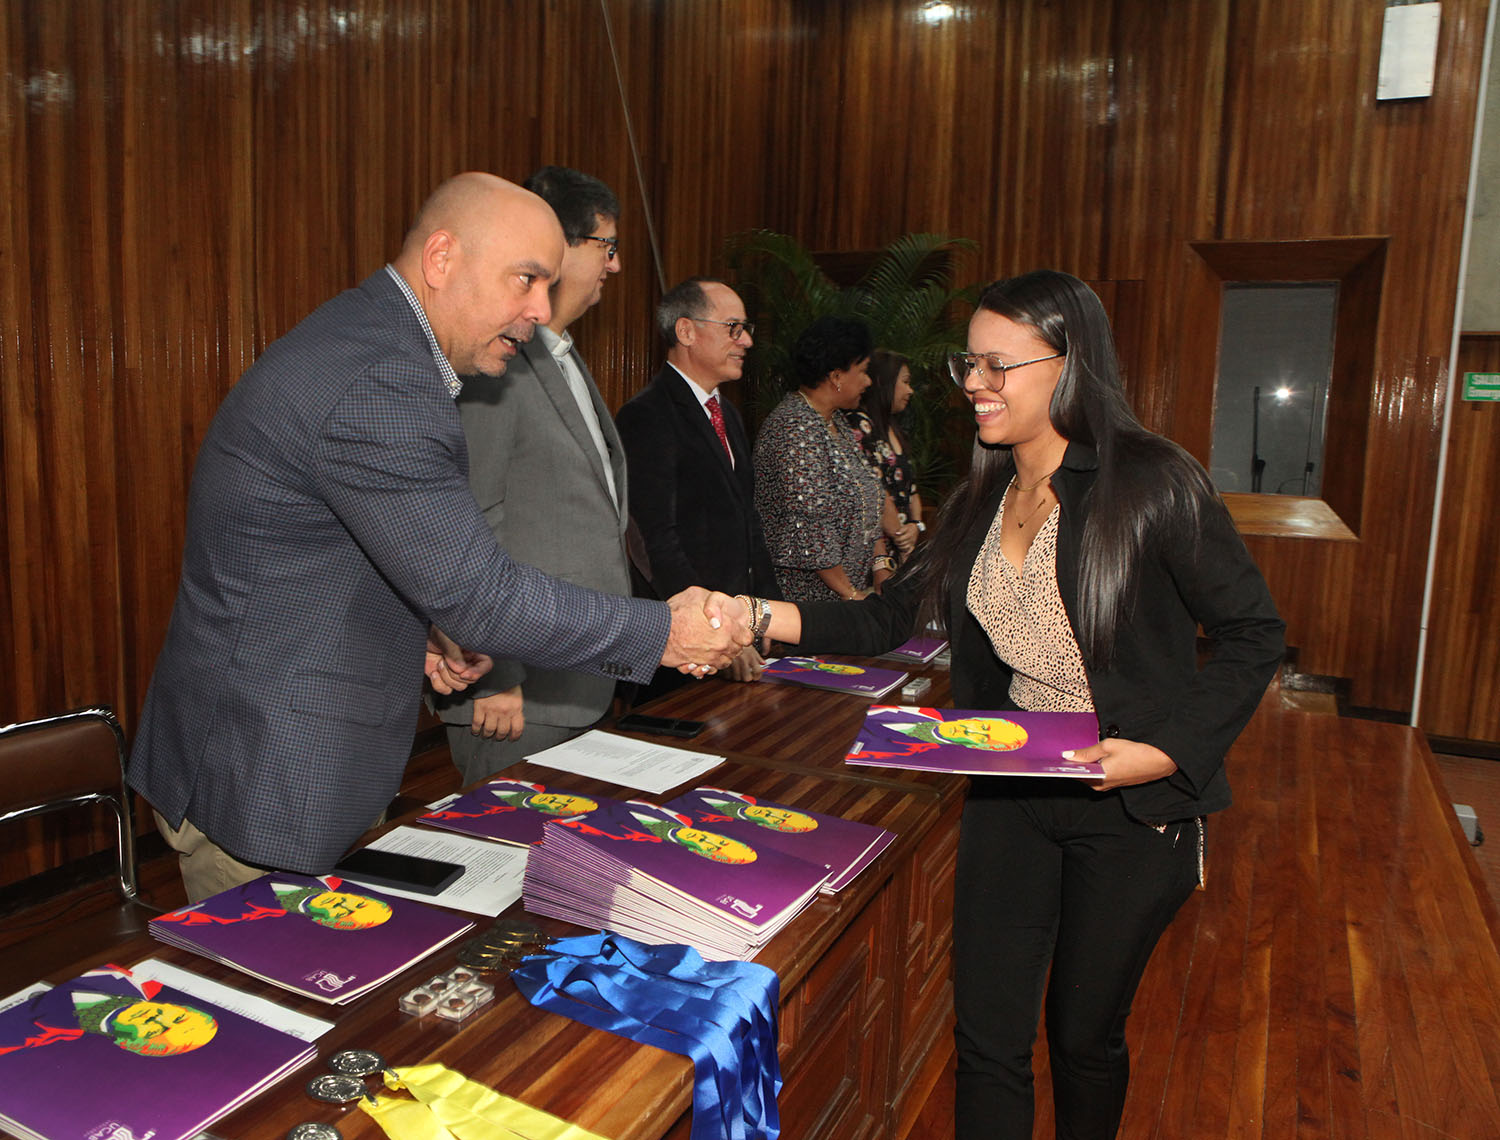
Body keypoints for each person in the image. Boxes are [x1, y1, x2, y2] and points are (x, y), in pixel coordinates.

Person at [731, 271, 1284, 1139]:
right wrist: (752, 617)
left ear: (1070, 365)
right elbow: (883, 616)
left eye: (998, 364)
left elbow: (1254, 633)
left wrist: (1168, 750)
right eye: (969, 364)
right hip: (1014, 788)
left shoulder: (1152, 482)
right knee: (987, 1038)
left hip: (1128, 802)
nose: (975, 384)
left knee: (1083, 1038)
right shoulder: (985, 494)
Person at [129, 173, 748, 902]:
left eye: (548, 286)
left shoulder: (375, 340)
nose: (539, 310)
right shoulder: (382, 377)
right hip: (266, 768)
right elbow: (482, 596)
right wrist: (663, 633)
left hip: (283, 747)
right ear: (443, 258)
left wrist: (422, 630)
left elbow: (324, 544)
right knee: (276, 971)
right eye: (525, 279)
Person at [432, 166, 634, 783]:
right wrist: (495, 672)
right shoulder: (492, 357)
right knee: (500, 841)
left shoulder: (559, 354)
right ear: (555, 244)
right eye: (606, 246)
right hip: (515, 694)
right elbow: (468, 519)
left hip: (577, 678)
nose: (616, 264)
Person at [616, 278, 780, 686]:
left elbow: (748, 522)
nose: (746, 341)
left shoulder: (728, 414)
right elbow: (655, 540)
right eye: (733, 328)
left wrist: (768, 613)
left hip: (739, 628)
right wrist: (715, 630)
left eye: (746, 329)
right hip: (687, 644)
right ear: (686, 331)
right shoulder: (648, 415)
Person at [752, 315, 889, 602]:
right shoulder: (794, 427)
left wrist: (880, 565)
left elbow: (868, 501)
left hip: (843, 597)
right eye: (863, 371)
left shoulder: (835, 421)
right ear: (836, 376)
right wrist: (852, 595)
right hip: (806, 603)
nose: (868, 381)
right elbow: (813, 531)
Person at [846, 349, 924, 564]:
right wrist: (903, 541)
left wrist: (916, 525)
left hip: (903, 549)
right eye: (905, 382)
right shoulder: (858, 424)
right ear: (883, 382)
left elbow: (912, 489)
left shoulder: (894, 427)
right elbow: (874, 493)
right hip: (875, 553)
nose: (910, 390)